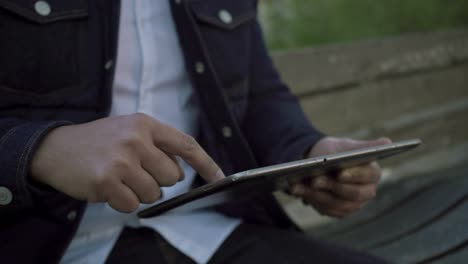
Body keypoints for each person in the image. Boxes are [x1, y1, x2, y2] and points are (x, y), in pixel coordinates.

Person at [0, 1, 391, 263]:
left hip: (206, 231)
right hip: (42, 244)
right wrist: (39, 150)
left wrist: (310, 152)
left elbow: (257, 95)